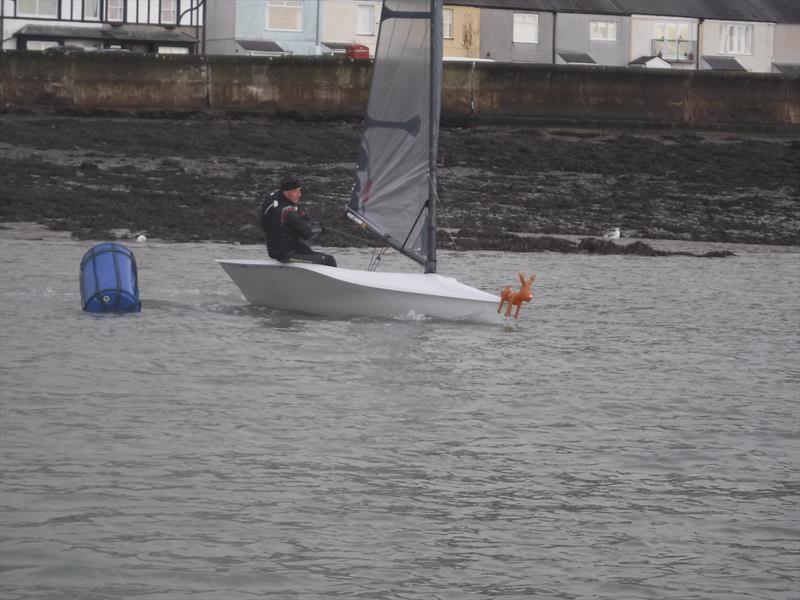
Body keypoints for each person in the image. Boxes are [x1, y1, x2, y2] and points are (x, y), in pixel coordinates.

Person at [260, 177, 337, 267]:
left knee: (311, 253)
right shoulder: (286, 212)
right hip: (285, 253)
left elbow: (301, 217)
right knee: (328, 260)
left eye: (299, 191)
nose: (299, 194)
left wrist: (305, 218)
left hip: (289, 247)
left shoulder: (277, 196)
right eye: (295, 191)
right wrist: (321, 229)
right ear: (286, 192)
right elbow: (307, 233)